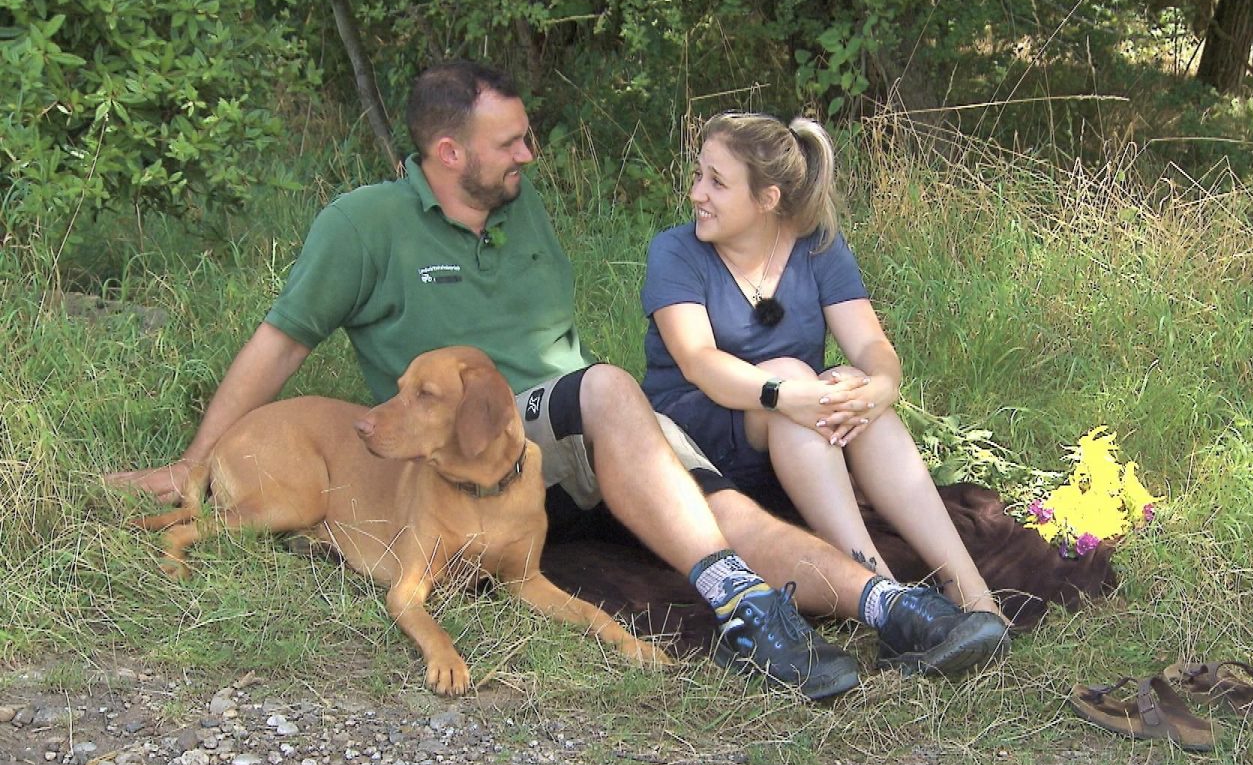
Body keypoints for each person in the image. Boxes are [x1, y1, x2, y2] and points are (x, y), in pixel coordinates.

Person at [107, 63, 1006, 701]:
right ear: (449, 152)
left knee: (719, 512)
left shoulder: (519, 206)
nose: (532, 154)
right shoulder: (364, 226)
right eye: (512, 141)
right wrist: (194, 461)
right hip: (487, 441)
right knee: (611, 389)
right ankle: (748, 615)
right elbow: (279, 343)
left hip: (570, 448)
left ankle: (888, 606)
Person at [641, 111, 1007, 627]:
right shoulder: (675, 252)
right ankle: (890, 599)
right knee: (799, 373)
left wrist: (877, 386)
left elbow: (872, 345)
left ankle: (972, 594)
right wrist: (787, 393)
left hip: (800, 437)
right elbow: (700, 363)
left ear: (767, 199)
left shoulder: (817, 246)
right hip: (700, 436)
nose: (697, 192)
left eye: (717, 182)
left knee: (855, 390)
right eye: (699, 175)